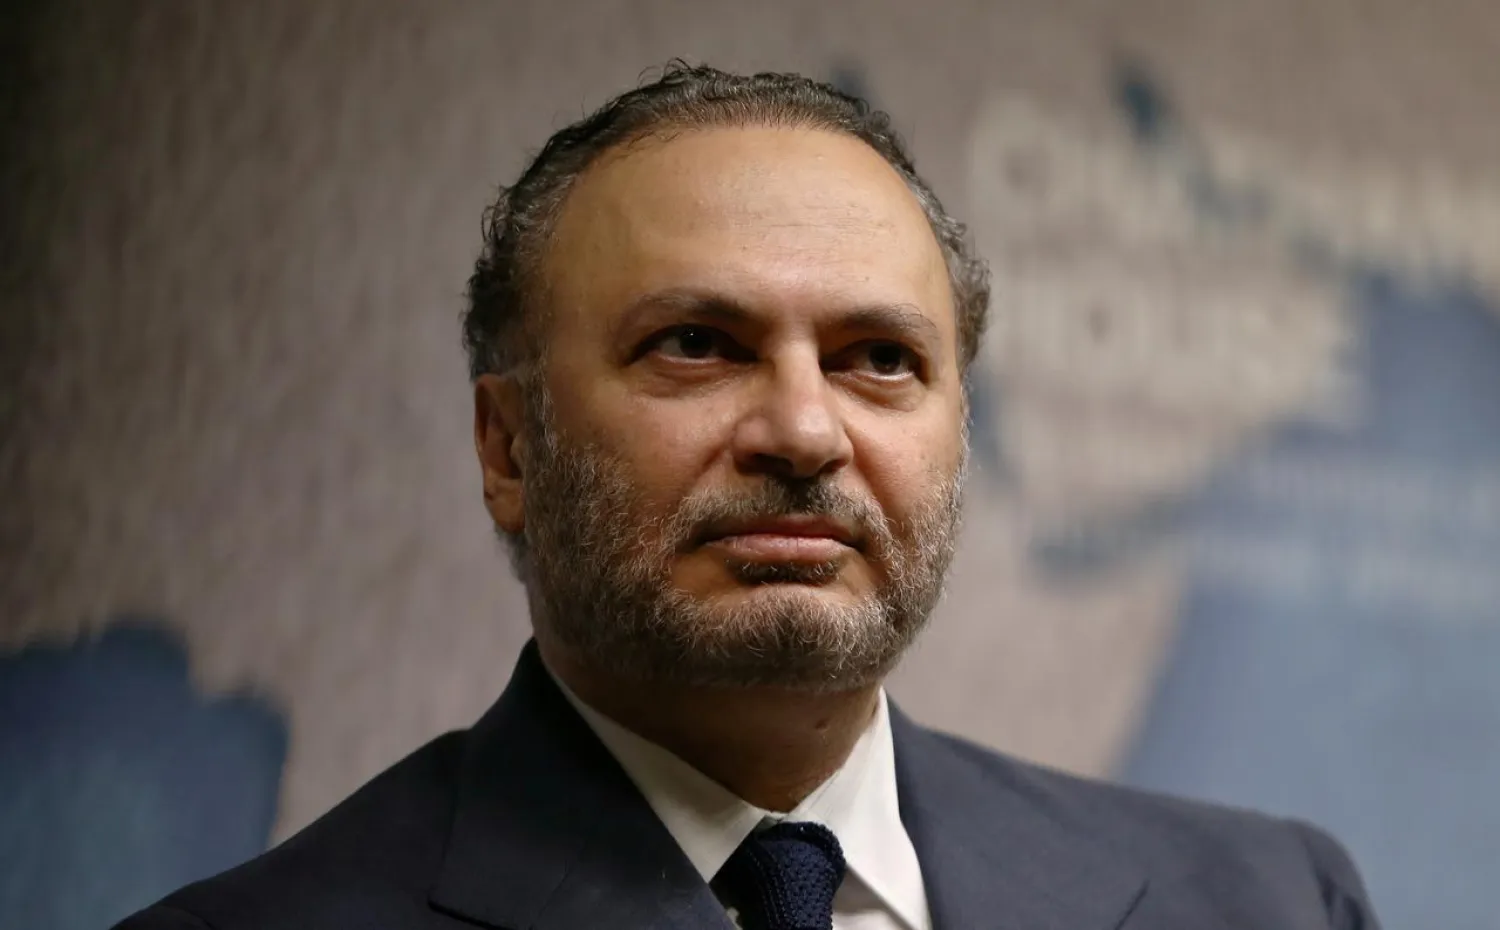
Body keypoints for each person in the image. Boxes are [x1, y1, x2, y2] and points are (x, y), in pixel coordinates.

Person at [115, 63, 1381, 930]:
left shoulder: (1270, 900)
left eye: (880, 359)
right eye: (697, 347)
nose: (803, 431)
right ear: (509, 449)